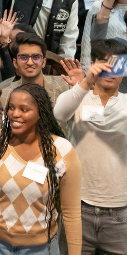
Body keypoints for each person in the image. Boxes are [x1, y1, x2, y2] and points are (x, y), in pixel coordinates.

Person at [0, 83, 82, 254]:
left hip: (42, 249)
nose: (15, 114)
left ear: (40, 113)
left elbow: (71, 213)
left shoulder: (62, 151)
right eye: (11, 108)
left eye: (24, 109)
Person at [54, 39, 127, 254]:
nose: (110, 70)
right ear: (93, 64)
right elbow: (59, 113)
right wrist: (85, 82)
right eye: (104, 64)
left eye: (117, 64)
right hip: (77, 206)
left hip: (120, 211)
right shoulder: (78, 98)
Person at [0, 33, 73, 126]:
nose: (30, 62)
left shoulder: (67, 85)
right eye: (23, 57)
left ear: (44, 62)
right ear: (15, 63)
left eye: (36, 57)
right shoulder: (3, 95)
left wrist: (81, 86)